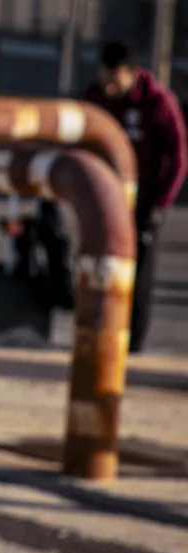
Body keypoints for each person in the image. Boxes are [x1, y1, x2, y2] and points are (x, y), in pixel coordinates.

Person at [85, 41, 187, 353]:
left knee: (137, 278)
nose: (109, 86)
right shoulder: (96, 97)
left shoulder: (157, 102)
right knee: (96, 269)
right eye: (105, 78)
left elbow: (178, 156)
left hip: (142, 206)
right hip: (105, 200)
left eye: (115, 79)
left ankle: (130, 347)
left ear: (131, 73)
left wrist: (161, 203)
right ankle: (95, 337)